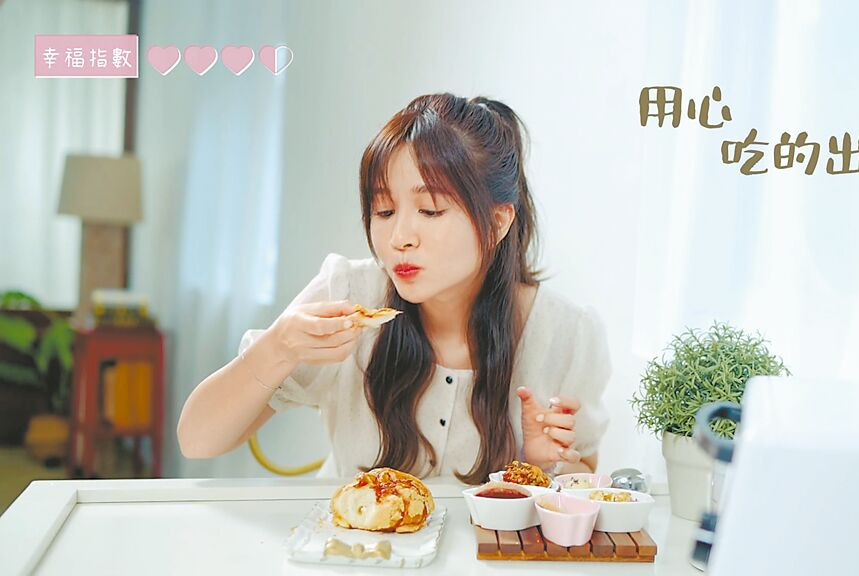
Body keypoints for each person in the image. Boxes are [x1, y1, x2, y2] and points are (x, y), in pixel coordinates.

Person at [177, 93, 611, 484]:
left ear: (498, 222)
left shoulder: (567, 334)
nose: (400, 237)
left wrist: (545, 466)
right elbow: (197, 440)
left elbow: (585, 476)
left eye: (430, 210)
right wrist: (278, 346)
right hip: (349, 541)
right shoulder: (349, 293)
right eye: (384, 211)